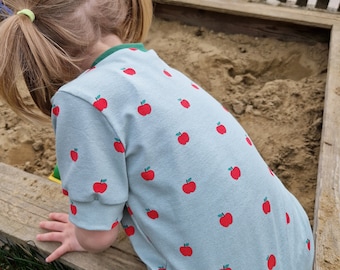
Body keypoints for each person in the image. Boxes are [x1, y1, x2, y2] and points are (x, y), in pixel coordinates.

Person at [0, 1, 314, 269]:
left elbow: (98, 236)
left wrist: (80, 233)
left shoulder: (79, 100)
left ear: (40, 54)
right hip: (294, 242)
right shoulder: (149, 63)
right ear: (120, 13)